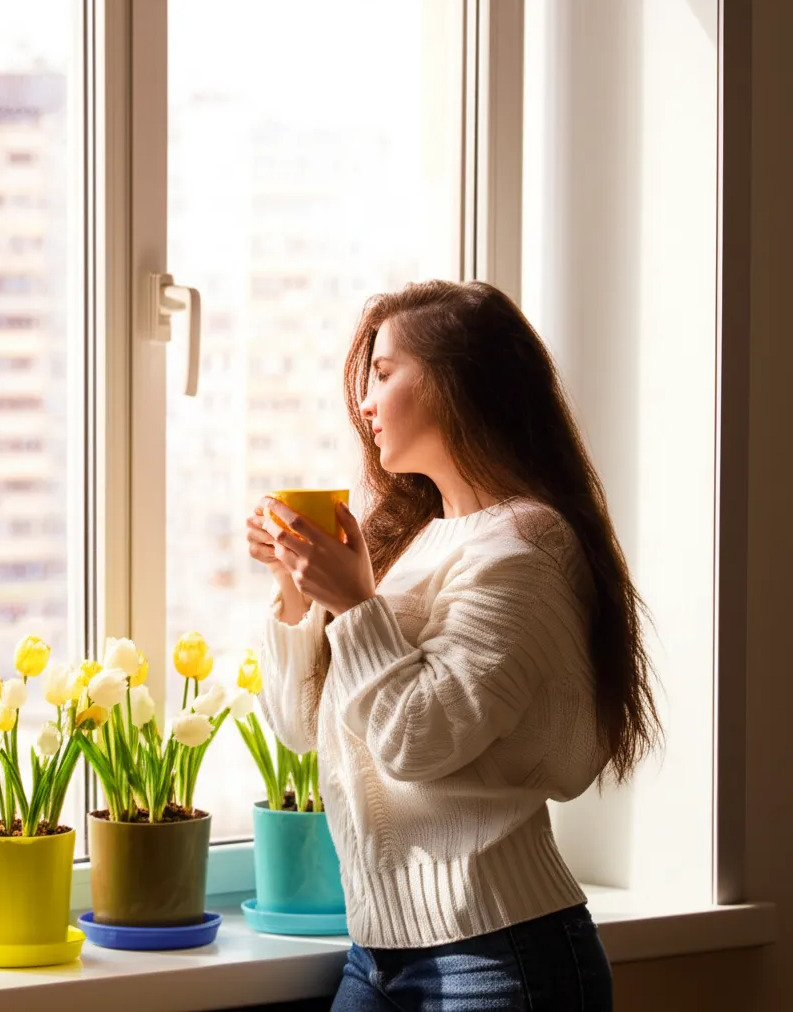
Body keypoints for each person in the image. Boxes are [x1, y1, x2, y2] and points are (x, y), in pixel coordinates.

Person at [245, 280, 662, 1012]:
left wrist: (353, 600)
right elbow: (303, 729)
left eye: (383, 374)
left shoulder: (528, 546)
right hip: (377, 952)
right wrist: (295, 591)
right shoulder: (418, 542)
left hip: (499, 954)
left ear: (457, 383)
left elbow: (421, 740)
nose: (365, 405)